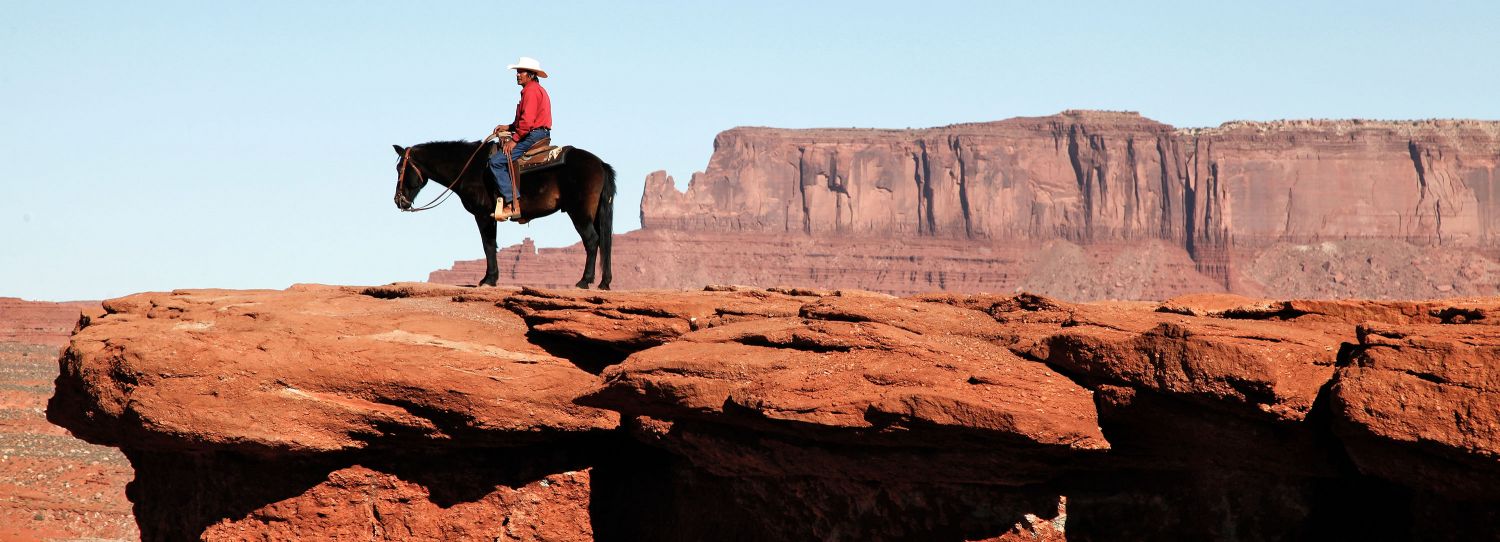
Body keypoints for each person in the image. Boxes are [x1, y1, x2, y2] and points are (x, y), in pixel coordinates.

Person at [489, 56, 552, 221]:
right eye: (517, 72)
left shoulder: (531, 91)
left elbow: (527, 122)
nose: (517, 75)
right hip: (537, 131)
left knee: (496, 162)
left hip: (533, 134)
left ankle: (512, 202)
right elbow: (524, 120)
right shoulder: (535, 90)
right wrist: (508, 127)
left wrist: (514, 139)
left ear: (530, 74)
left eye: (521, 72)